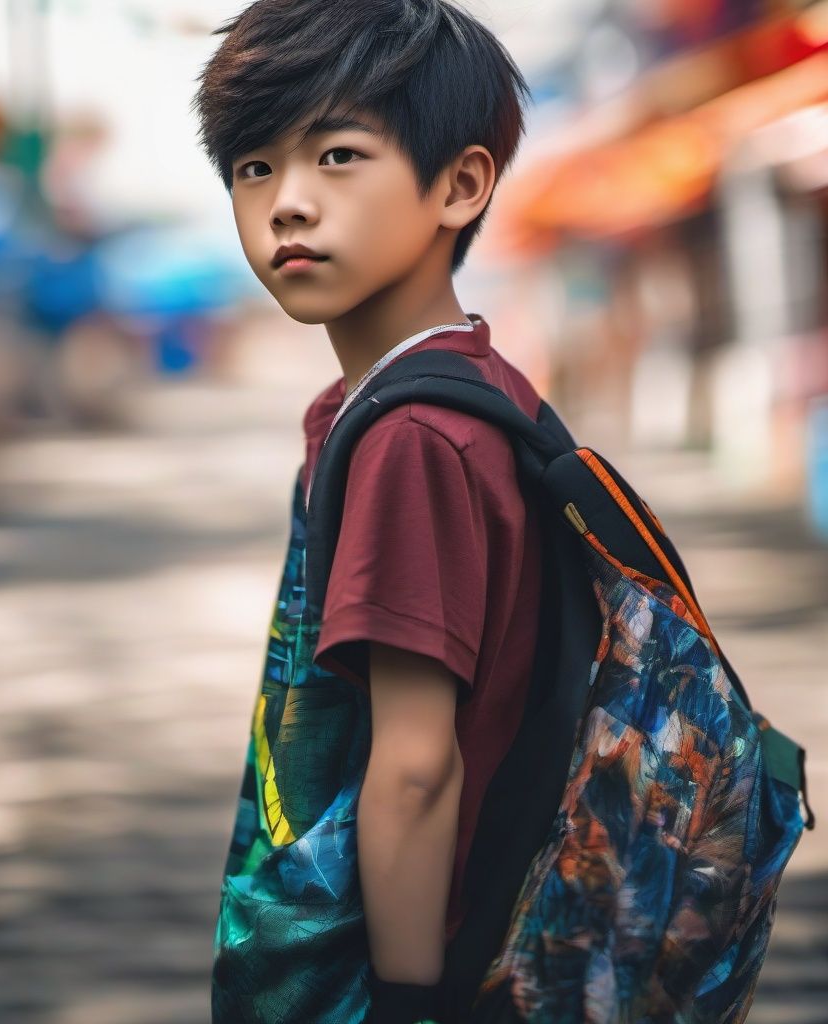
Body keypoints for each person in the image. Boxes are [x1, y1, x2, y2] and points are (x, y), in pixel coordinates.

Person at [192, 2, 539, 1021]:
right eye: (253, 168)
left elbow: (417, 765)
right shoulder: (466, 388)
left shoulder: (411, 436)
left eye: (337, 155)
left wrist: (399, 998)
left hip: (437, 955)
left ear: (459, 184)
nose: (286, 203)